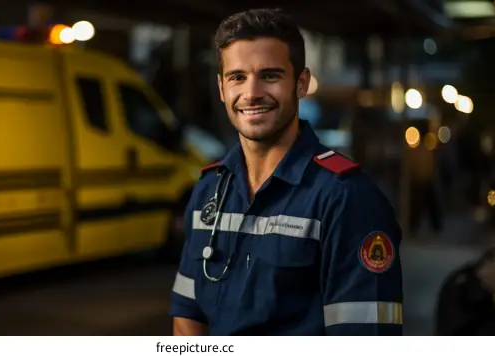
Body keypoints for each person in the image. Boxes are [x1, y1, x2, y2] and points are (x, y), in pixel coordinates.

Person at [169, 8, 403, 336]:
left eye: (270, 75)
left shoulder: (348, 199)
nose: (251, 93)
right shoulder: (209, 191)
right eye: (237, 77)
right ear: (222, 88)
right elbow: (186, 315)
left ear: (301, 83)